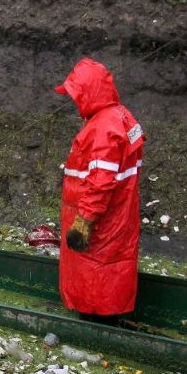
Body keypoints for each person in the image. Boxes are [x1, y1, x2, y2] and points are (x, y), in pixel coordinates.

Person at [55, 58, 145, 324]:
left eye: (76, 94)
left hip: (102, 224)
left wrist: (84, 221)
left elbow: (101, 182)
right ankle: (104, 323)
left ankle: (96, 330)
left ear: (89, 92)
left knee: (96, 279)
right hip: (119, 217)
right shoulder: (122, 117)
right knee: (110, 274)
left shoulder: (104, 128)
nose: (74, 101)